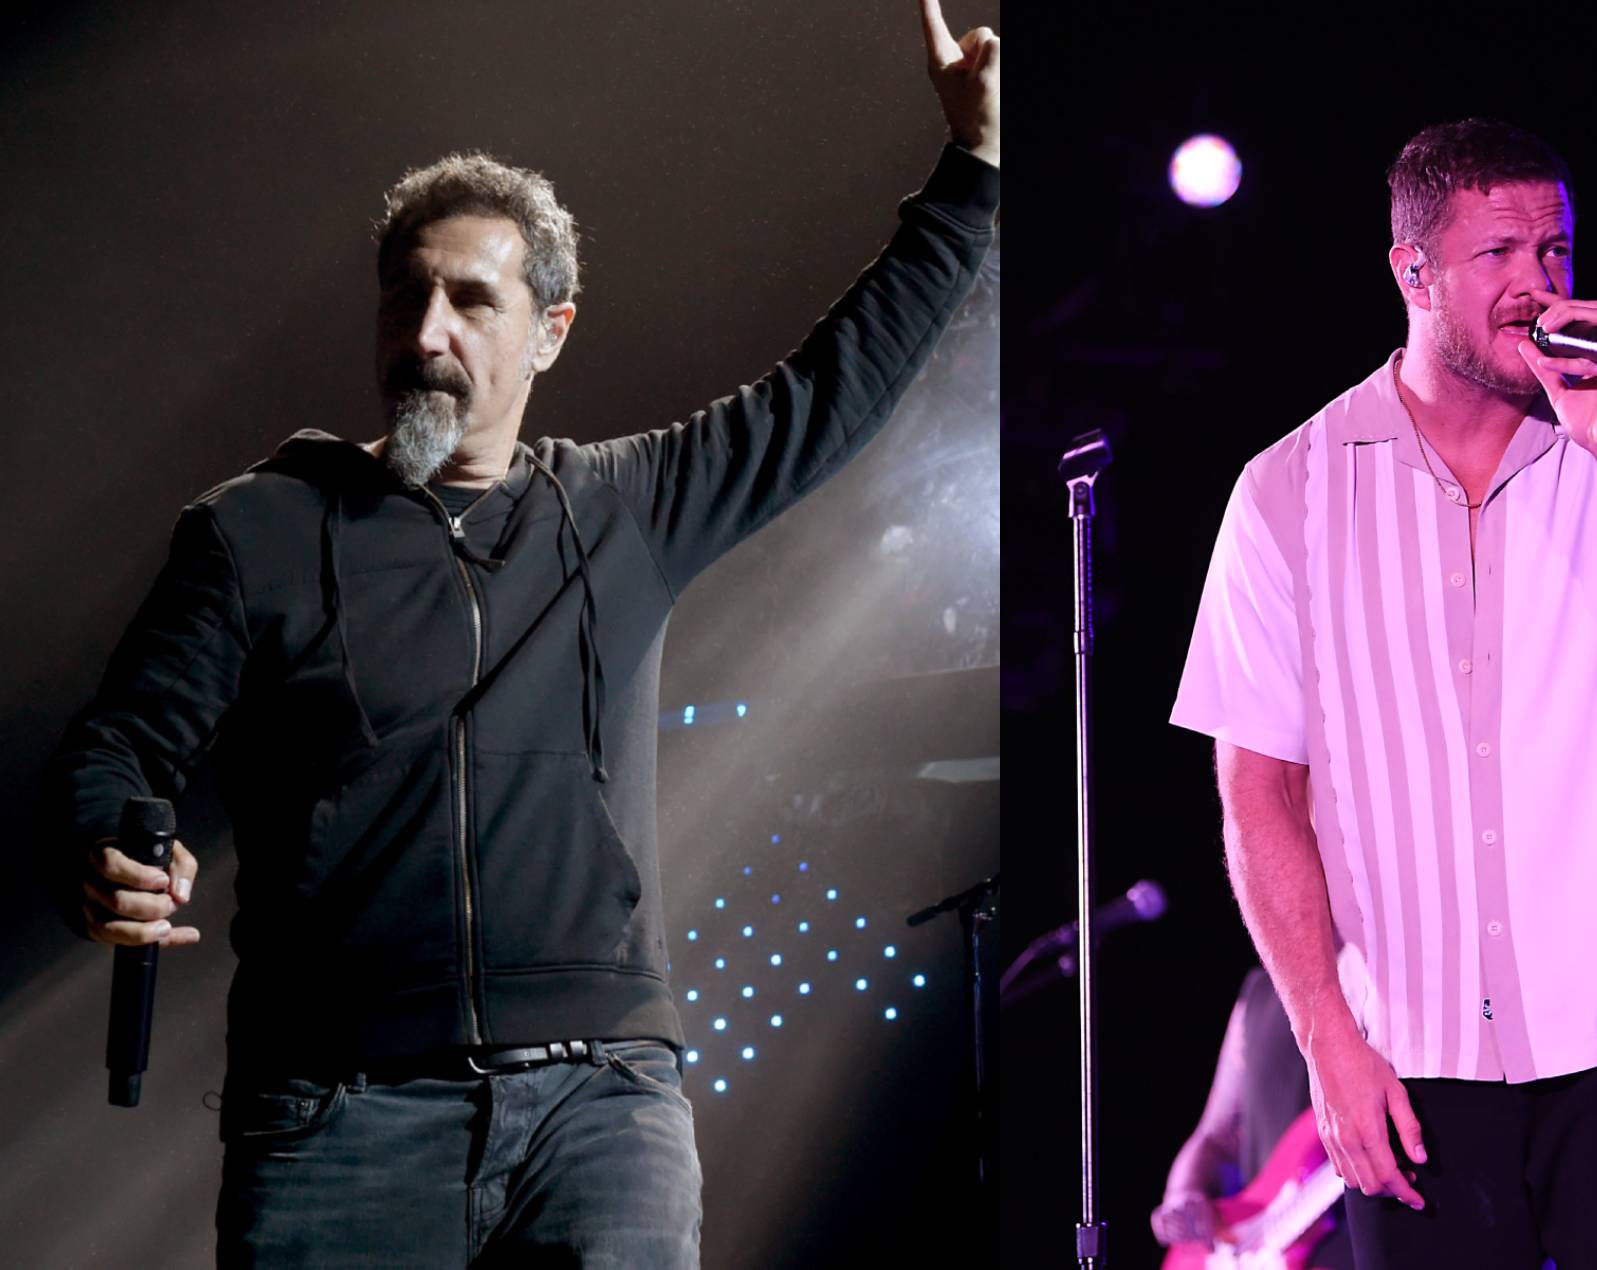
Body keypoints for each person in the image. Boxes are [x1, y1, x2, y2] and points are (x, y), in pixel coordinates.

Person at [38, 3, 997, 1264]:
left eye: (470, 302)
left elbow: (832, 387)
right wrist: (111, 846)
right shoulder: (258, 531)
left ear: (550, 331)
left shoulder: (624, 505)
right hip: (337, 1116)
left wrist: (974, 170)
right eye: (405, 296)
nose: (425, 334)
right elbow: (117, 750)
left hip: (600, 1107)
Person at [1169, 118, 1597, 1270]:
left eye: (1554, 251)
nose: (1537, 286)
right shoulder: (1286, 491)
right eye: (1497, 255)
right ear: (1413, 273)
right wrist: (1323, 1041)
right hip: (1412, 1049)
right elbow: (1260, 797)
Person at [1151, 966, 1356, 1270]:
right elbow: (1216, 1136)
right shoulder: (1261, 989)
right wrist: (1183, 1195)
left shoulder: (1381, 972)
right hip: (1255, 1246)